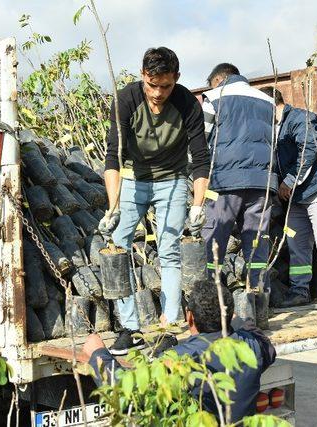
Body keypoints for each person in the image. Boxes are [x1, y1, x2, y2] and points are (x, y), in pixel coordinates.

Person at [98, 47, 210, 355]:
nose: (158, 93)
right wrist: (113, 206)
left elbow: (200, 158)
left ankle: (168, 327)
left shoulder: (188, 104)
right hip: (133, 177)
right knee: (119, 249)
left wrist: (198, 203)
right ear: (142, 76)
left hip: (173, 179)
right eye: (151, 85)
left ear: (176, 79)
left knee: (170, 249)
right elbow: (113, 155)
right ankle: (129, 327)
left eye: (165, 86)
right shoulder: (126, 100)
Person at [82, 280, 276, 423]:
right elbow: (261, 339)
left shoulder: (178, 359)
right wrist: (232, 318)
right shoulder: (252, 347)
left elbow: (129, 396)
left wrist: (98, 353)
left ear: (189, 317)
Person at [259, 86, 317, 310]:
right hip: (298, 198)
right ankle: (299, 291)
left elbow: (307, 151)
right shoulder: (274, 128)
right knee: (297, 245)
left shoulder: (300, 119)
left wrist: (288, 181)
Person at [200, 64, 276, 292]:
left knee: (215, 237)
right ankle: (259, 300)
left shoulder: (214, 97)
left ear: (219, 79)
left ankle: (212, 300)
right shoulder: (268, 101)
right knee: (257, 241)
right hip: (262, 183)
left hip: (225, 181)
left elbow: (200, 142)